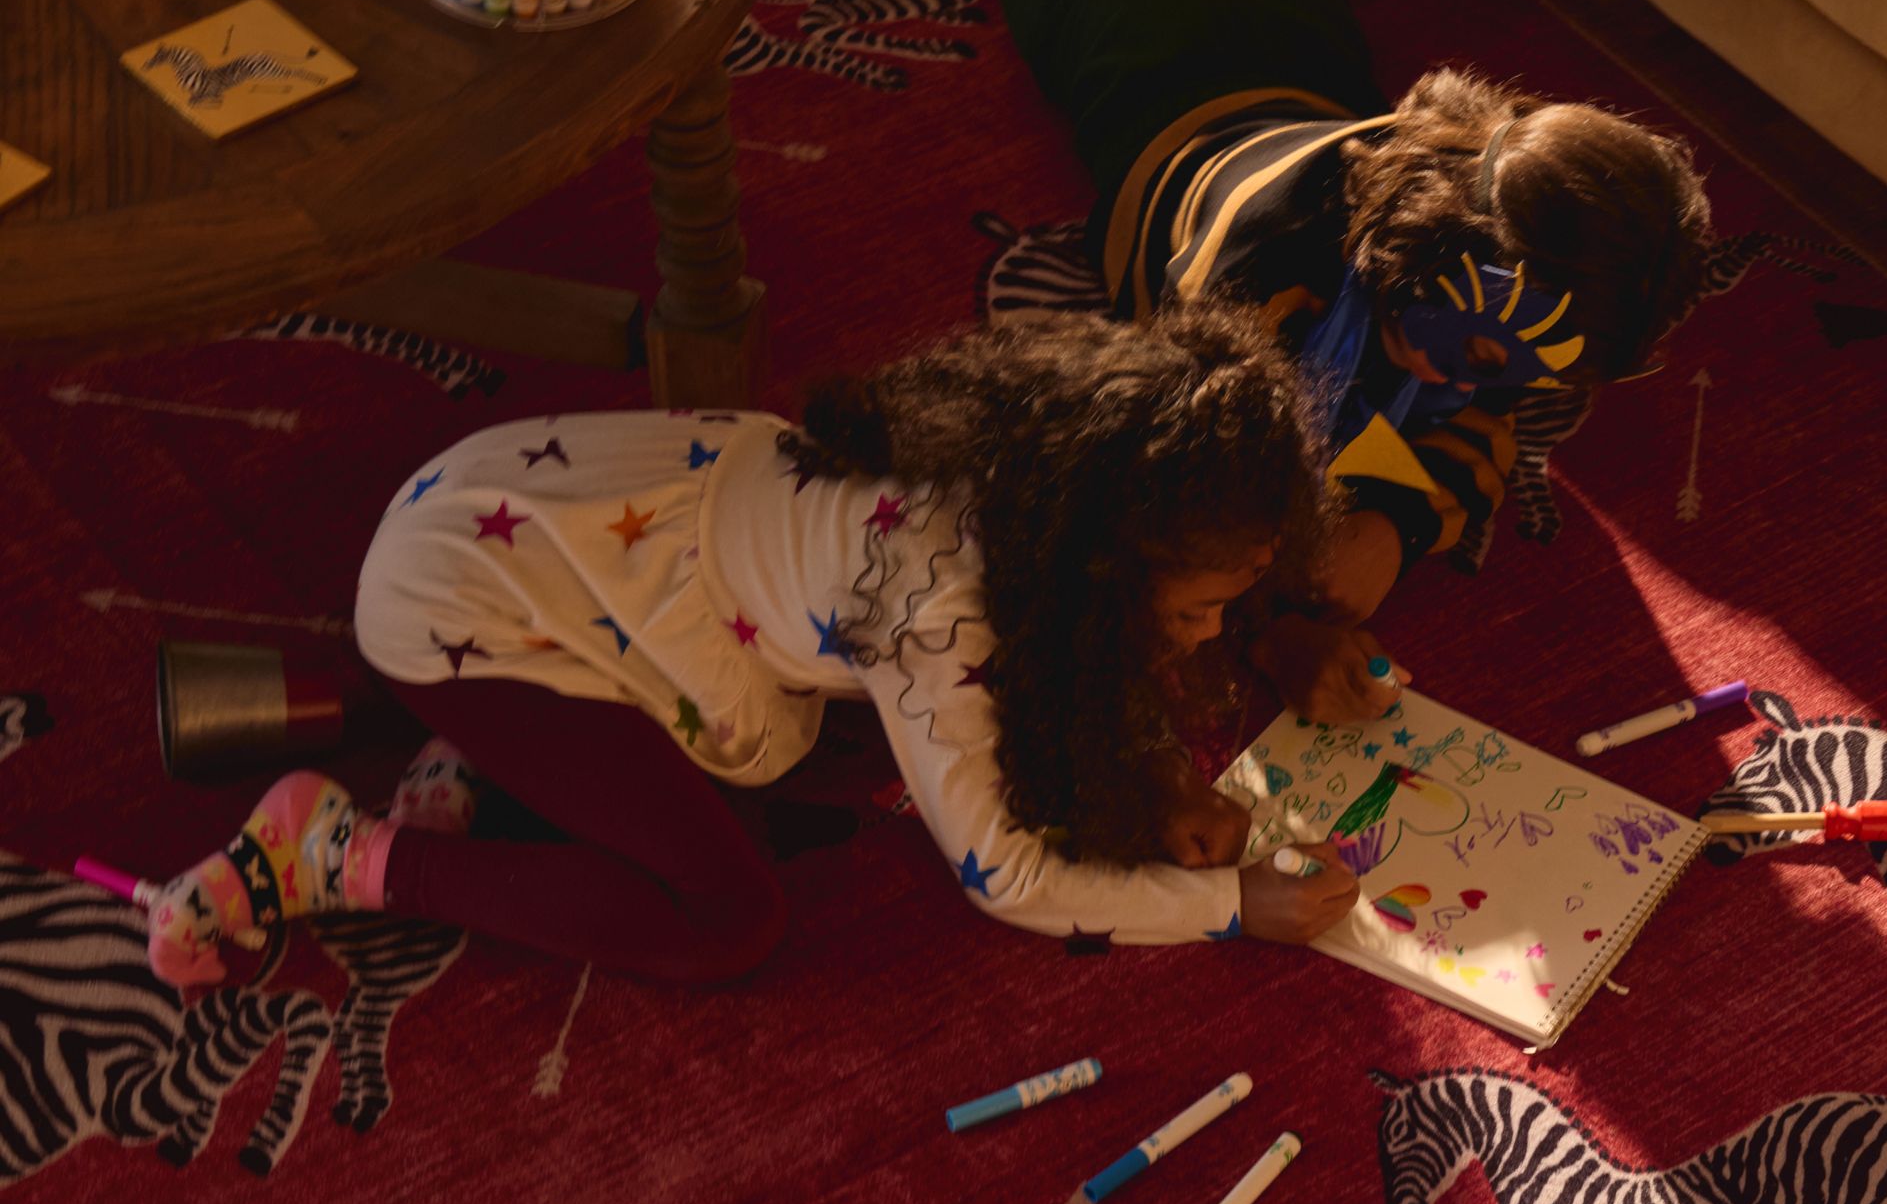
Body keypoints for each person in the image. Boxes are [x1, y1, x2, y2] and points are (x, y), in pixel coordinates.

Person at [139, 308, 1365, 990]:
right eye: (1195, 611)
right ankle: (342, 851)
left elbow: (1060, 678)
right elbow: (1006, 878)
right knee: (729, 914)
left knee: (796, 756)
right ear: (1103, 565)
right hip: (473, 607)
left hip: (524, 518)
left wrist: (1150, 787)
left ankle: (482, 759)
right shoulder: (939, 607)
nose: (1204, 642)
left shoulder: (1039, 473)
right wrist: (1225, 906)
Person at [993, 0, 1715, 724]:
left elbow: (1484, 430)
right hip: (1143, 60)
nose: (1464, 380)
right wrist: (1275, 629)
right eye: (1476, 352)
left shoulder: (1510, 303)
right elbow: (1182, 507)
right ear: (1430, 234)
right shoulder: (1253, 284)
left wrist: (1390, 524)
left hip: (1310, 68)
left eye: (1509, 371)